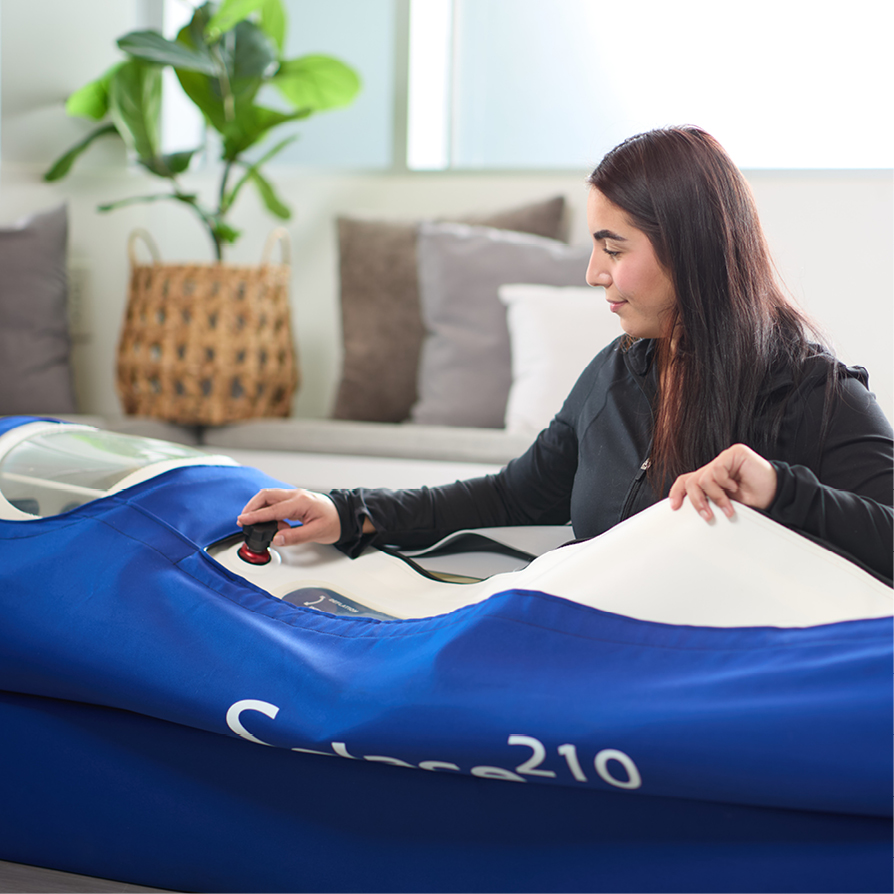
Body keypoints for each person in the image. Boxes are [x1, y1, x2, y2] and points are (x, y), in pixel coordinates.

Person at [239, 126, 894, 582]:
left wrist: (781, 491)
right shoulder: (616, 374)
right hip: (582, 659)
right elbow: (513, 497)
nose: (592, 273)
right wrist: (346, 511)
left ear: (689, 249)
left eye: (613, 249)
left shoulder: (817, 395)